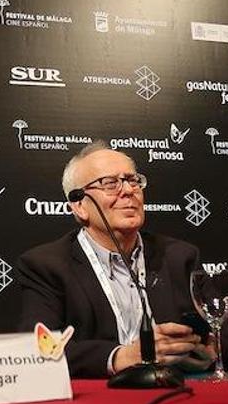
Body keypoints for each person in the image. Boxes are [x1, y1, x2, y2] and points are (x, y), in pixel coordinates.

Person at [15, 141, 214, 378]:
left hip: (173, 389)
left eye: (132, 180)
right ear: (79, 206)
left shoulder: (179, 256)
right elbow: (40, 348)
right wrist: (122, 356)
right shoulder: (46, 266)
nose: (128, 190)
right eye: (109, 184)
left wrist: (210, 346)